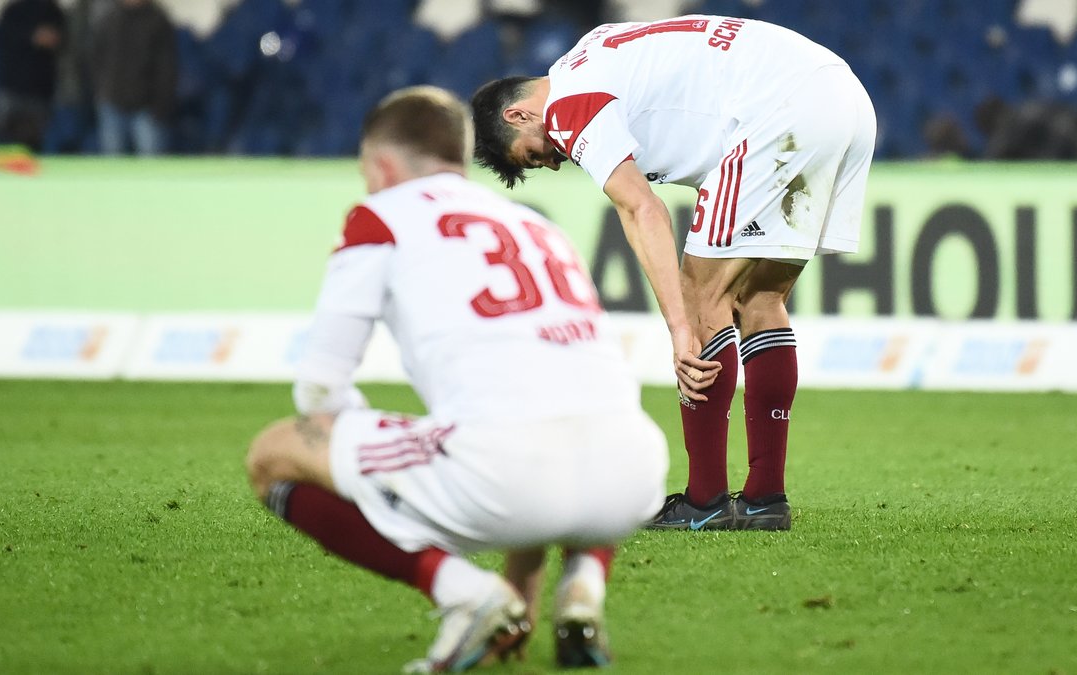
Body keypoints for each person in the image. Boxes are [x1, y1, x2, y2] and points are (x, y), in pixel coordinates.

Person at [245, 86, 667, 672]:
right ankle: (584, 586)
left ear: (382, 165)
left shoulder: (378, 217)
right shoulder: (537, 227)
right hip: (633, 477)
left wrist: (359, 460)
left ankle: (464, 596)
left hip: (506, 473)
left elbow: (318, 391)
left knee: (276, 451)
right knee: (559, 404)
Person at [472, 15, 876, 531]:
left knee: (700, 300)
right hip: (842, 95)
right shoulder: (594, 51)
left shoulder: (570, 103)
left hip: (781, 109)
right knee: (761, 298)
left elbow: (642, 209)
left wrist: (679, 329)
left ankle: (704, 502)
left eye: (535, 153)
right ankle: (763, 500)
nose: (553, 162)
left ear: (519, 112)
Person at [89, 0, 176, 155]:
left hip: (147, 105)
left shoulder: (158, 20)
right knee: (113, 167)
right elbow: (97, 60)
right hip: (111, 102)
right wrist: (101, 93)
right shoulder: (109, 19)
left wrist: (161, 104)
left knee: (151, 166)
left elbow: (167, 67)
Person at [0, 0, 66, 151]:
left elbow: (62, 41)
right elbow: (2, 40)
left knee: (35, 142)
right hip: (12, 87)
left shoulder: (52, 11)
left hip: (40, 89)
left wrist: (48, 38)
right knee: (4, 140)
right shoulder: (12, 11)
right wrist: (33, 36)